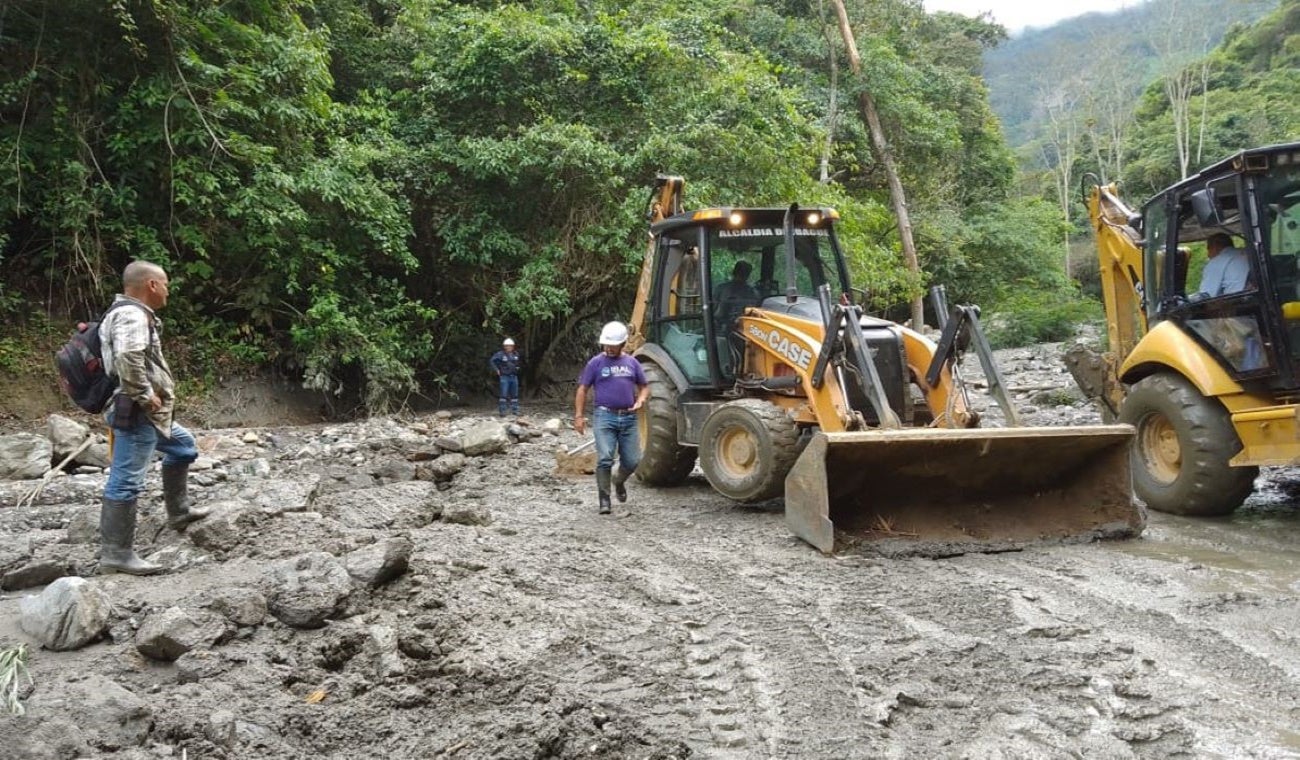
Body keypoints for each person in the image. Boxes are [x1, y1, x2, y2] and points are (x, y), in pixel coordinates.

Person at [98, 261, 206, 575]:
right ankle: (117, 554)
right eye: (166, 284)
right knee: (126, 481)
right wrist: (146, 396)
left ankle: (180, 512)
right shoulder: (132, 314)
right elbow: (128, 357)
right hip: (137, 411)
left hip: (144, 412)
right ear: (152, 286)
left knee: (183, 446)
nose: (168, 290)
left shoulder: (128, 312)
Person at [574, 321, 649, 514]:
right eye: (606, 345)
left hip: (629, 418)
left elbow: (644, 386)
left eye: (612, 345)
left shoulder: (632, 363)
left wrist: (640, 400)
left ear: (623, 344)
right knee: (605, 457)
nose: (608, 348)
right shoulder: (596, 363)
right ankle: (604, 500)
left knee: (632, 461)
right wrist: (579, 416)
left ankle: (618, 480)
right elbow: (582, 389)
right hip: (604, 416)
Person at [1197, 233, 1250, 298]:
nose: (1208, 255)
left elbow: (1206, 295)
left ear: (1215, 246)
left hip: (1239, 303)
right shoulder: (1249, 252)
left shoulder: (1216, 262)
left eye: (1208, 249)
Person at [714, 260, 760, 329]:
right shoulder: (722, 288)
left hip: (745, 326)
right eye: (740, 272)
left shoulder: (752, 292)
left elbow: (755, 311)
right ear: (735, 272)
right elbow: (714, 310)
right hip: (721, 325)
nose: (742, 276)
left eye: (744, 273)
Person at [490, 337, 523, 416]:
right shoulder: (500, 354)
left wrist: (517, 368)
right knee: (503, 394)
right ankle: (502, 411)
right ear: (504, 346)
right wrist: (497, 370)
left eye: (510, 346)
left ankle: (515, 410)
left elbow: (518, 363)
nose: (509, 347)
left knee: (514, 395)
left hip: (514, 377)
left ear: (513, 346)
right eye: (507, 346)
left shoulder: (516, 354)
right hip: (504, 377)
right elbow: (492, 361)